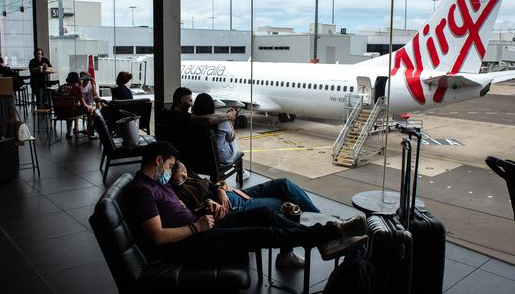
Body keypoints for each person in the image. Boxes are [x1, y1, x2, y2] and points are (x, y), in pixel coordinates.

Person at [125, 141, 368, 265]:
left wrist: (205, 208)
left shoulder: (158, 184)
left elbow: (177, 211)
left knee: (264, 213)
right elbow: (157, 236)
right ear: (158, 161)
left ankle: (323, 236)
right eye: (168, 166)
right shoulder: (142, 192)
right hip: (194, 242)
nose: (170, 171)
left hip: (204, 226)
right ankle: (331, 232)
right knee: (261, 233)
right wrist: (195, 227)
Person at [170, 161, 320, 267]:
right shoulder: (176, 192)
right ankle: (288, 252)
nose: (186, 177)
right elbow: (196, 212)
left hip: (235, 194)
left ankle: (318, 217)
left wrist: (220, 190)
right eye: (181, 177)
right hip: (234, 208)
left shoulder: (184, 172)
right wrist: (210, 201)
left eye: (185, 171)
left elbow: (212, 183)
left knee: (284, 183)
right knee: (286, 203)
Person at [160, 87, 236, 127]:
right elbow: (208, 120)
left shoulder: (165, 114)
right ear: (182, 101)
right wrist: (229, 115)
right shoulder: (181, 117)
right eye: (190, 101)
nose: (192, 104)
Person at [56, 72, 95, 138]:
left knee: (68, 107)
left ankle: (69, 132)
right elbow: (84, 104)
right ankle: (90, 132)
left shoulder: (61, 87)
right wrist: (90, 107)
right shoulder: (76, 88)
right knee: (90, 109)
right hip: (71, 113)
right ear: (77, 79)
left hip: (60, 112)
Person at [80, 71, 99, 138]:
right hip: (81, 105)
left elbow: (95, 96)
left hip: (89, 104)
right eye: (85, 79)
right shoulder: (79, 85)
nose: (87, 81)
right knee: (90, 112)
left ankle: (90, 130)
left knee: (91, 111)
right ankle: (90, 131)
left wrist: (93, 85)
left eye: (88, 79)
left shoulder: (91, 84)